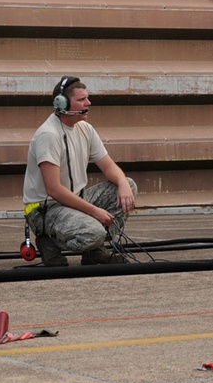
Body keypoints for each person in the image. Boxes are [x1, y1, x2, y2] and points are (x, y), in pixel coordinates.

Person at [23, 76, 137, 267]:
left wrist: (123, 184)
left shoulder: (85, 129)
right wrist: (95, 212)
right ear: (62, 103)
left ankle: (94, 252)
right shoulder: (48, 135)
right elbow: (54, 189)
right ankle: (48, 241)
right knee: (94, 233)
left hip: (75, 200)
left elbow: (108, 167)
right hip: (45, 209)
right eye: (82, 99)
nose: (89, 103)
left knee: (128, 185)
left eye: (87, 98)